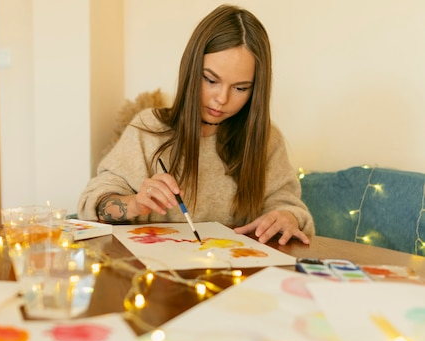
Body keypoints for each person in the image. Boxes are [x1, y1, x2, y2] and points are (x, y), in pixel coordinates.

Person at [77, 4, 314, 245]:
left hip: (236, 274)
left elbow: (288, 205)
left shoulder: (265, 140)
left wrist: (286, 216)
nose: (222, 99)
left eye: (240, 88)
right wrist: (135, 203)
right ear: (191, 69)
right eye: (211, 80)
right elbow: (93, 204)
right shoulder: (149, 128)